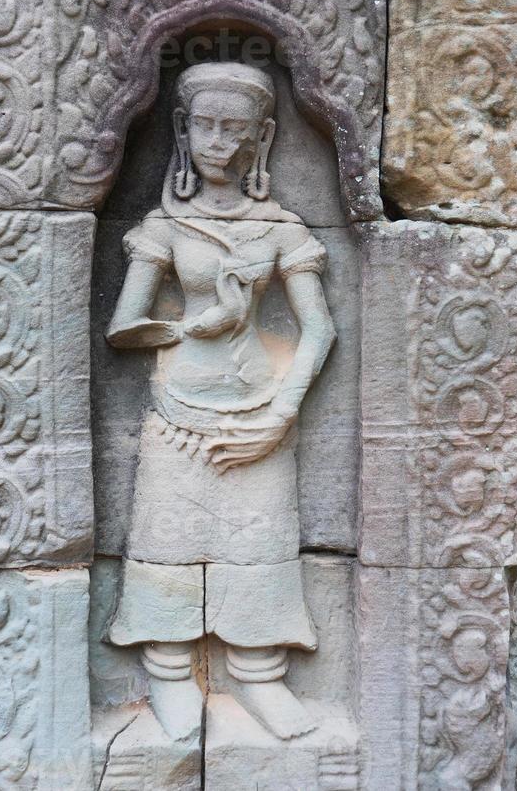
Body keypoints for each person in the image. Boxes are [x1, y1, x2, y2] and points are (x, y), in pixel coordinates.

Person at [105, 62, 336, 741]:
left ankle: (259, 675)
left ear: (259, 138)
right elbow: (123, 327)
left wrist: (280, 415)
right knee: (166, 547)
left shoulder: (278, 227)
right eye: (204, 125)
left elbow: (318, 327)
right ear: (182, 129)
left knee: (261, 548)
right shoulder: (166, 225)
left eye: (232, 129)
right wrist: (191, 326)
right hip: (178, 414)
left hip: (259, 413)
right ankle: (170, 673)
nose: (216, 142)